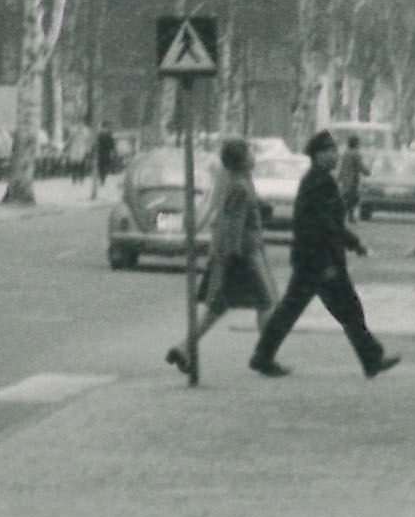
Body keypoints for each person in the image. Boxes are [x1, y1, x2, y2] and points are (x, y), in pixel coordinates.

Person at [247, 129, 395, 379]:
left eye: (334, 150)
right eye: (330, 151)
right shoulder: (319, 182)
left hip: (313, 260)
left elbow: (330, 223)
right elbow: (324, 226)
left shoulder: (318, 179)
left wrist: (353, 244)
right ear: (318, 156)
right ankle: (371, 359)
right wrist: (337, 255)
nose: (335, 155)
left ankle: (263, 356)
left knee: (310, 310)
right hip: (319, 261)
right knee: (344, 310)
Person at [164, 136, 273, 375]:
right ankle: (265, 357)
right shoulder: (239, 186)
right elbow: (233, 224)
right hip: (242, 256)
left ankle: (183, 348)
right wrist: (234, 258)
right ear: (242, 160)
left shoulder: (237, 181)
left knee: (217, 309)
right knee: (265, 303)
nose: (253, 157)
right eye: (249, 153)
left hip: (232, 255)